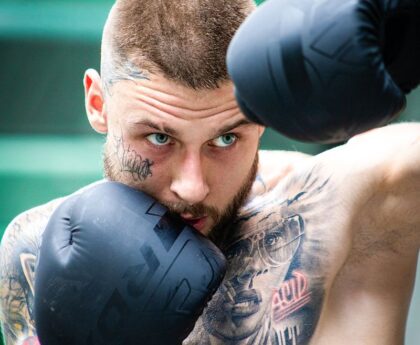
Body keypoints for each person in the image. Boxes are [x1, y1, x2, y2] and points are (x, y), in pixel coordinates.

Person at [0, 0, 419, 344]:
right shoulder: (31, 253)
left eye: (225, 140)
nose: (192, 186)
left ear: (262, 120)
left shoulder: (345, 205)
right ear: (98, 105)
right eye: (159, 138)